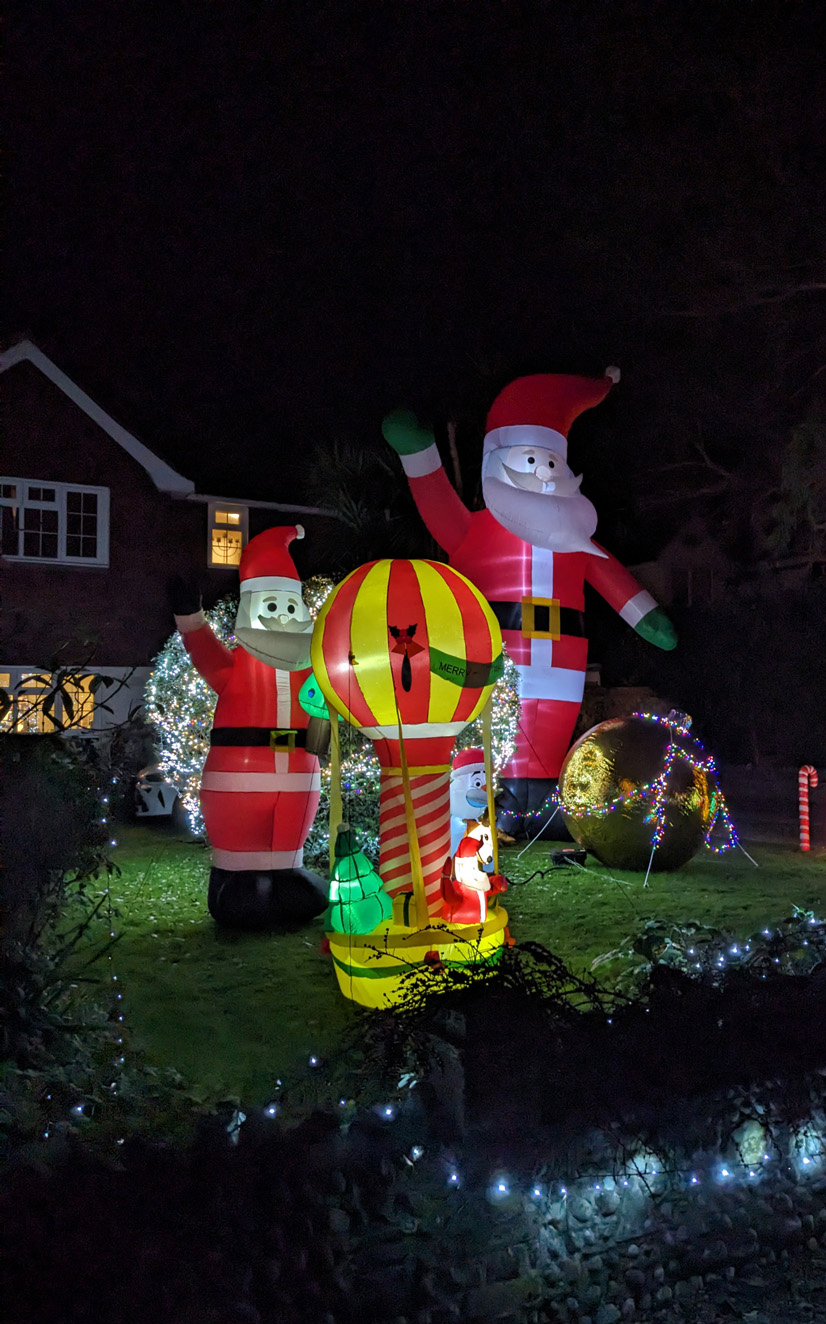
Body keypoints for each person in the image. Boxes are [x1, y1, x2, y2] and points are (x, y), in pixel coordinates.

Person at [383, 369, 677, 832]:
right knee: (499, 723)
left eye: (551, 463)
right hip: (499, 653)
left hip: (564, 659)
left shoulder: (577, 539)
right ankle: (484, 795)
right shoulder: (475, 529)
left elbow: (613, 579)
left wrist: (648, 617)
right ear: (497, 464)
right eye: (529, 461)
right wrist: (418, 452)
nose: (543, 472)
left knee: (550, 730)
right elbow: (437, 503)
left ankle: (541, 800)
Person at [170, 525, 328, 926]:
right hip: (237, 776)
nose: (281, 619)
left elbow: (330, 697)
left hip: (299, 774)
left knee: (289, 846)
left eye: (290, 610)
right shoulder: (236, 667)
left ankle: (287, 872)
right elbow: (204, 650)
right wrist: (189, 616)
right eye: (270, 608)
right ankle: (235, 878)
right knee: (244, 873)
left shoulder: (310, 670)